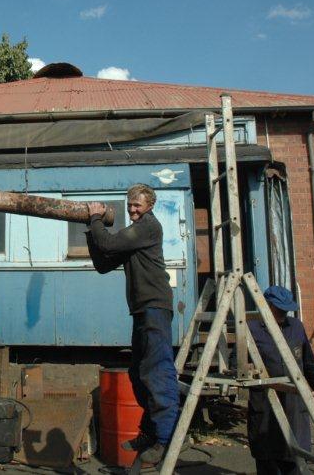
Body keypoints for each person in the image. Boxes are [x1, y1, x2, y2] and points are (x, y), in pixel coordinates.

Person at [85, 183, 179, 464]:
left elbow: (110, 243)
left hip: (155, 306)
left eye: (137, 205)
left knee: (156, 371)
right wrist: (92, 230)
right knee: (138, 373)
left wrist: (95, 219)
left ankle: (165, 438)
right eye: (130, 206)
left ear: (150, 205)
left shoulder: (149, 227)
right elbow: (103, 262)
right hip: (141, 310)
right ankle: (150, 432)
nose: (133, 211)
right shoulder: (134, 237)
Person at [247, 285, 314, 475]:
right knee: (268, 461)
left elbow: (310, 364)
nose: (283, 312)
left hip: (294, 406)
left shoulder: (296, 326)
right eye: (279, 308)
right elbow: (235, 363)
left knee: (295, 461)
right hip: (266, 406)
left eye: (286, 309)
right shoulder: (251, 329)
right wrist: (246, 368)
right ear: (267, 305)